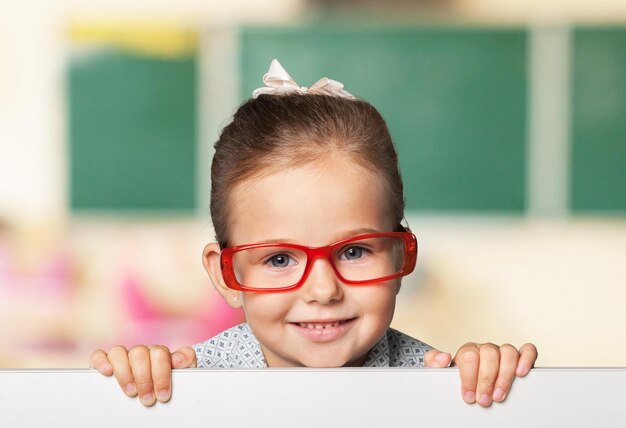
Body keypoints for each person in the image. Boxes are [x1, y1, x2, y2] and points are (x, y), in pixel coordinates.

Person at [90, 59, 537, 408]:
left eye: (356, 251)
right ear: (226, 275)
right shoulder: (187, 381)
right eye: (279, 259)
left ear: (401, 259)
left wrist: (492, 385)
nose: (323, 291)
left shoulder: (439, 381)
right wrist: (131, 384)